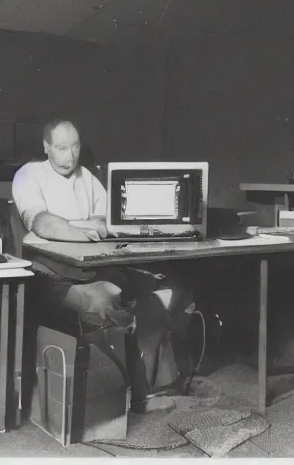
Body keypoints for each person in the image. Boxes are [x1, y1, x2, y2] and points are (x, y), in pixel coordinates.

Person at [12, 119, 193, 412]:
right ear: (46, 148)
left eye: (75, 147)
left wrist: (80, 227)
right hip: (53, 277)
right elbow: (42, 223)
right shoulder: (29, 175)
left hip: (95, 266)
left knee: (168, 288)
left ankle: (154, 384)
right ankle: (127, 398)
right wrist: (83, 229)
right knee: (110, 298)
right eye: (61, 148)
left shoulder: (87, 177)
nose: (70, 156)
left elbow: (110, 222)